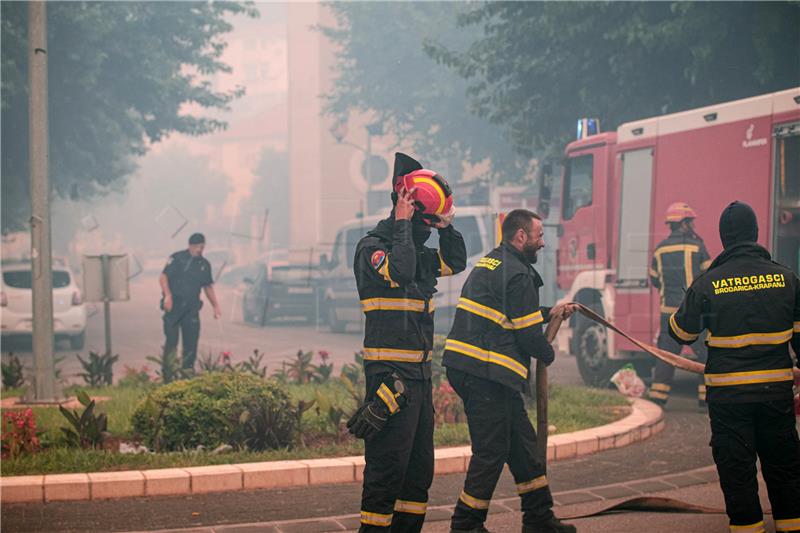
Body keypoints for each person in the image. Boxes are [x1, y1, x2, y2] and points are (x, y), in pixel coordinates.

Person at [347, 153, 467, 532]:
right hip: (389, 379)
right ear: (407, 212)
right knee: (386, 474)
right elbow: (398, 271)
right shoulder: (373, 249)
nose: (428, 230)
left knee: (417, 476)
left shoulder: (417, 252)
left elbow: (457, 262)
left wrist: (446, 226)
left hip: (418, 379)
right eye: (426, 222)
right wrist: (402, 221)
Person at [442, 209, 577, 533]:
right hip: (486, 373)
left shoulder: (494, 262)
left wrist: (549, 313)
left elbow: (515, 314)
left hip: (476, 369)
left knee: (522, 445)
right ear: (521, 236)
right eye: (539, 236)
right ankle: (465, 525)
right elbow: (528, 336)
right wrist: (548, 353)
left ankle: (539, 518)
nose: (542, 243)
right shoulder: (518, 273)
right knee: (491, 451)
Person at [669, 201, 800, 533]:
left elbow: (681, 331)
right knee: (785, 469)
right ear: (755, 234)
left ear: (724, 238)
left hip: (729, 401)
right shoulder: (788, 279)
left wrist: (688, 299)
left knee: (737, 473)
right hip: (777, 396)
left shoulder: (708, 283)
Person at [648, 202, 712, 407]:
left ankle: (658, 397)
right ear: (684, 223)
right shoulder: (697, 247)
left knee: (666, 356)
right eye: (690, 222)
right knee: (705, 353)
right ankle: (705, 398)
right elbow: (708, 277)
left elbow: (655, 280)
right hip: (694, 312)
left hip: (668, 313)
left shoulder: (659, 250)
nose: (692, 225)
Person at [159, 232, 221, 371]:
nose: (199, 250)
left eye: (202, 247)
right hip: (174, 308)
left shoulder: (204, 264)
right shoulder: (177, 258)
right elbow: (163, 277)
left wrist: (215, 306)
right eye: (197, 247)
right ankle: (168, 377)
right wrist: (167, 295)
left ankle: (187, 375)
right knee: (171, 343)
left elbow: (208, 286)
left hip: (191, 309)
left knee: (191, 346)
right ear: (190, 246)